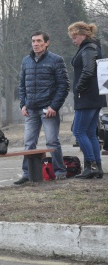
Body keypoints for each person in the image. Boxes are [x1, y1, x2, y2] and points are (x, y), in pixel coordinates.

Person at [15, 31, 70, 185]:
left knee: (52, 142)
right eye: (33, 41)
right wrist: (23, 104)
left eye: (39, 41)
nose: (35, 44)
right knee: (28, 143)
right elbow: (21, 85)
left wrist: (54, 106)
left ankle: (60, 172)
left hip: (48, 109)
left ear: (47, 43)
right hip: (31, 109)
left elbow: (64, 86)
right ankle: (27, 174)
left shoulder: (56, 60)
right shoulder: (26, 61)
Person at [68, 22, 107, 179]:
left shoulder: (88, 48)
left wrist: (78, 88)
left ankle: (90, 166)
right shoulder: (91, 47)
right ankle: (97, 167)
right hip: (93, 96)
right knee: (90, 132)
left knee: (78, 131)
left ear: (83, 35)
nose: (73, 40)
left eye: (75, 37)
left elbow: (88, 70)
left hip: (87, 97)